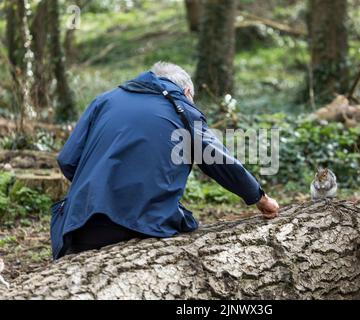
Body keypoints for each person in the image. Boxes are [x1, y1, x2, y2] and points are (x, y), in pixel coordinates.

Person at [51, 61, 279, 260]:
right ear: (187, 91)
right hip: (145, 224)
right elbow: (217, 159)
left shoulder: (104, 100)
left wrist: (100, 186)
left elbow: (67, 160)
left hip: (80, 226)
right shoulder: (182, 109)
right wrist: (258, 197)